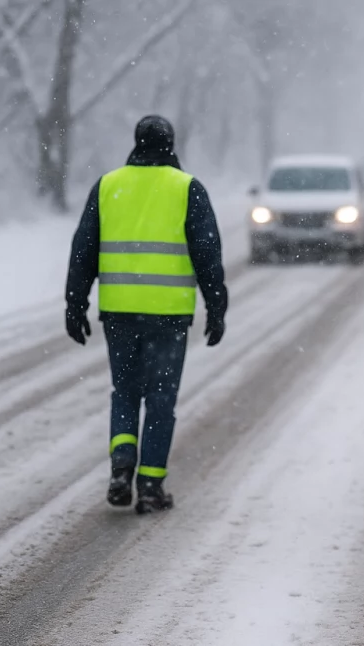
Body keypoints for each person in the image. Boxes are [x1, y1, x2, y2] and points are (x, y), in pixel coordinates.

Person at [65, 115, 228, 514]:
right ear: (171, 142)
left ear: (136, 142)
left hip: (119, 312)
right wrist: (216, 305)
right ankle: (151, 487)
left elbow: (83, 249)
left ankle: (122, 463)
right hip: (169, 316)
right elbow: (207, 253)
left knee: (125, 392)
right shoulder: (187, 188)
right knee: (160, 400)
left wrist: (75, 302)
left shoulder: (108, 186)